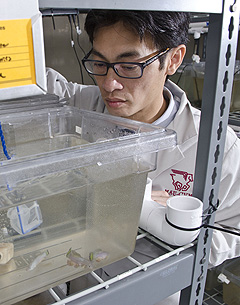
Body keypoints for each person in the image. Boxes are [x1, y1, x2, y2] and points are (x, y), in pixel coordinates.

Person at [47, 9, 240, 275]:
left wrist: (173, 234)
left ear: (173, 59)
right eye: (100, 63)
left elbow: (234, 228)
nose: (109, 83)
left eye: (129, 67)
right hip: (85, 280)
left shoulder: (217, 146)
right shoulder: (78, 105)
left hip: (159, 290)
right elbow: (26, 79)